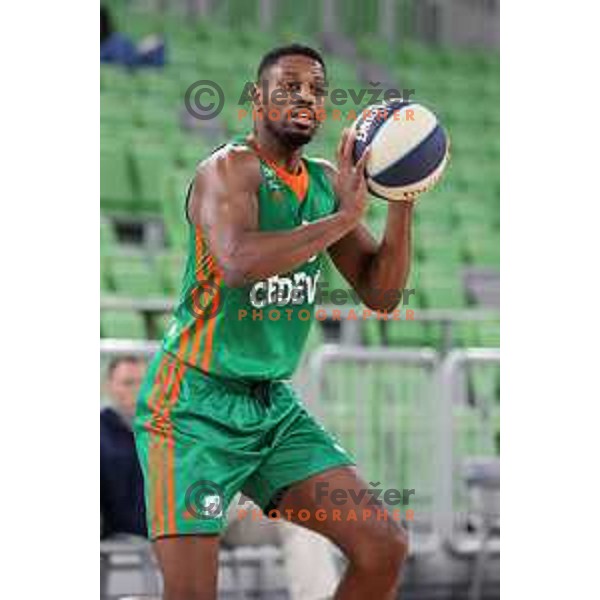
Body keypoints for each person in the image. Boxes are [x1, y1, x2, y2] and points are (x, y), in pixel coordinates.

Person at [134, 44, 415, 600]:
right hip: (191, 405)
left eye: (315, 89)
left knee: (383, 547)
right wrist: (343, 219)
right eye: (289, 87)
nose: (304, 97)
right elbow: (238, 261)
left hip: (270, 409)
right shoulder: (228, 168)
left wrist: (402, 198)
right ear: (257, 99)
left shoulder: (326, 182)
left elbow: (382, 294)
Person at [101, 355, 147, 539]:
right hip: (114, 530)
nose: (137, 390)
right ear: (109, 386)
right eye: (128, 383)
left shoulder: (170, 430)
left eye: (143, 383)